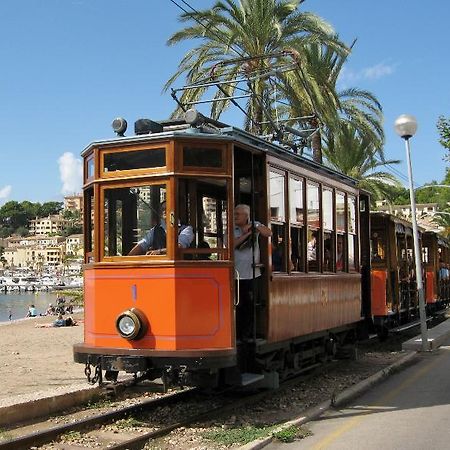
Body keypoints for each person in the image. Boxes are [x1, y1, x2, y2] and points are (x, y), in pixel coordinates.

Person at [234, 204, 272, 340]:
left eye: (238, 214)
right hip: (236, 275)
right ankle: (237, 334)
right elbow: (233, 244)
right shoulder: (233, 229)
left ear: (246, 216)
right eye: (235, 213)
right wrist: (248, 234)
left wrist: (255, 227)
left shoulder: (255, 224)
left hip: (252, 274)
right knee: (238, 306)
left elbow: (268, 233)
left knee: (249, 306)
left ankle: (247, 335)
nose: (235, 216)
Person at [128, 201, 194, 255]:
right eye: (162, 209)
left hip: (180, 269)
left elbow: (180, 246)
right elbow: (143, 244)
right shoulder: (155, 230)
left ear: (174, 210)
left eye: (167, 208)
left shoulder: (187, 229)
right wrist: (128, 257)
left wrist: (159, 252)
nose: (164, 211)